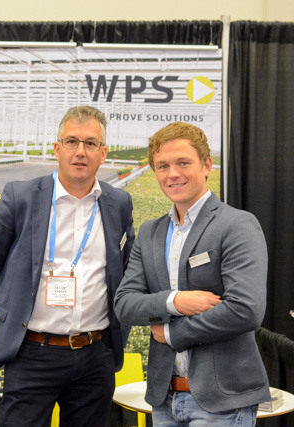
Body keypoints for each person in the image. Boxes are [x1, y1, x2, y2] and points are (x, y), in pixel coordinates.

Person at [0, 106, 135, 427]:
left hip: (95, 356)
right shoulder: (21, 197)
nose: (80, 152)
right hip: (32, 355)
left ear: (103, 153)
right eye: (71, 141)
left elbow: (124, 271)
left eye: (91, 143)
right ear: (57, 149)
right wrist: (18, 303)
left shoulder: (118, 203)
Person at [114, 122, 270, 426]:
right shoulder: (150, 233)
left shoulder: (237, 225)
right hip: (165, 399)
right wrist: (174, 302)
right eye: (163, 166)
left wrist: (172, 333)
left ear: (207, 165)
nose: (172, 173)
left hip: (222, 403)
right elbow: (125, 304)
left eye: (183, 163)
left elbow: (246, 309)